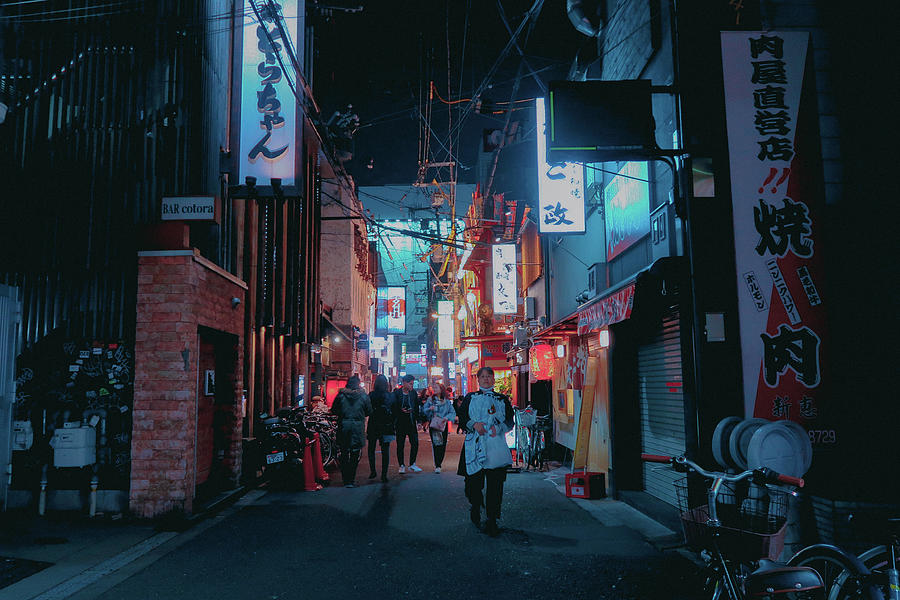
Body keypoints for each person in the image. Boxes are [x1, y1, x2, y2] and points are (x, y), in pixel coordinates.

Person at [456, 366, 514, 537]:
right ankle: (475, 506)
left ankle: (492, 519)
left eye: (489, 376)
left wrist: (500, 428)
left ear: (493, 379)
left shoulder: (502, 399)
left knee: (496, 485)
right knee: (473, 483)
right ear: (478, 379)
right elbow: (462, 417)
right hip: (473, 446)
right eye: (483, 376)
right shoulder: (470, 398)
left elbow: (510, 421)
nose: (486, 379)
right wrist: (474, 424)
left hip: (495, 446)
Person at [330, 375, 372, 488]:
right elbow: (369, 411)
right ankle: (351, 480)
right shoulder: (363, 396)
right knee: (355, 453)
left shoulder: (341, 395)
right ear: (358, 384)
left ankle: (345, 479)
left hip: (344, 426)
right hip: (358, 427)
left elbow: (334, 410)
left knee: (344, 452)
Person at [366, 374, 397, 483]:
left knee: (371, 449)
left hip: (373, 423)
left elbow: (367, 409)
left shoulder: (371, 395)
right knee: (385, 450)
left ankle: (373, 471)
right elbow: (394, 411)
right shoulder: (390, 396)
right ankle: (384, 474)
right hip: (386, 425)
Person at [423, 385, 457, 473]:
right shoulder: (430, 400)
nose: (434, 389)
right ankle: (437, 465)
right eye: (434, 388)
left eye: (436, 388)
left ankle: (439, 462)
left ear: (441, 390)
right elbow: (424, 410)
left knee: (443, 444)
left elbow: (452, 412)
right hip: (434, 425)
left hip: (443, 425)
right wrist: (429, 409)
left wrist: (447, 417)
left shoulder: (447, 401)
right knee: (436, 444)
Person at [394, 374, 423, 473]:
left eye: (412, 384)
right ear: (404, 383)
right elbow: (393, 407)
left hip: (411, 421)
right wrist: (400, 410)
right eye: (410, 384)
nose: (412, 386)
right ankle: (401, 465)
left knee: (415, 443)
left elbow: (417, 408)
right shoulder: (397, 393)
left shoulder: (413, 393)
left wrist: (419, 421)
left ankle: (412, 463)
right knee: (400, 444)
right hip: (400, 422)